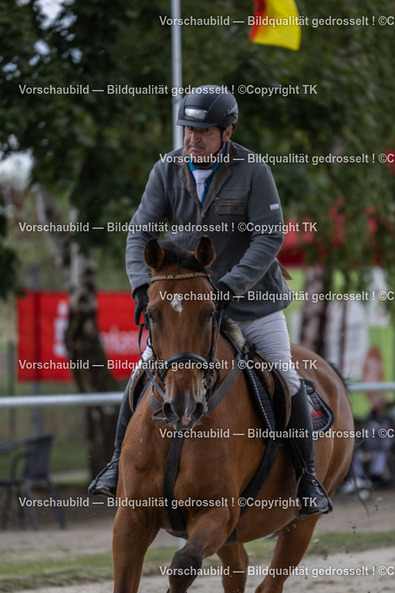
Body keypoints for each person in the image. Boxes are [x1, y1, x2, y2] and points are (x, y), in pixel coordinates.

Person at [89, 84, 332, 519]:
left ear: (227, 132)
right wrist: (142, 286)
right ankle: (114, 465)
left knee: (286, 375)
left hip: (251, 302)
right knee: (144, 371)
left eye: (203, 131)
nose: (192, 138)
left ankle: (307, 477)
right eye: (188, 129)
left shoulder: (253, 170)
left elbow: (268, 237)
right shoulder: (166, 170)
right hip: (188, 309)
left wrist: (230, 286)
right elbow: (139, 233)